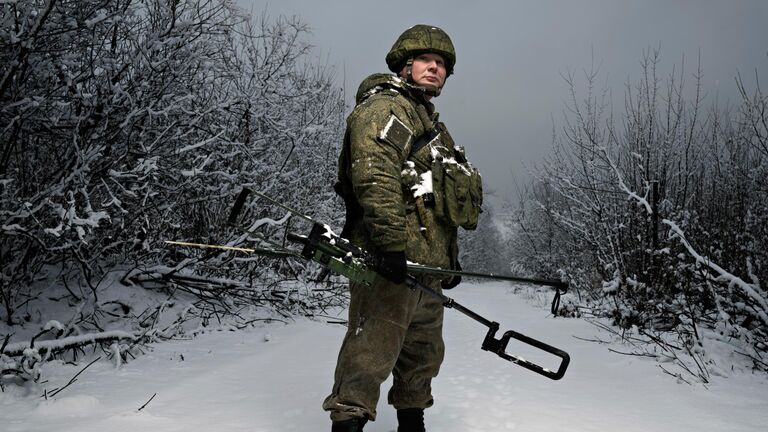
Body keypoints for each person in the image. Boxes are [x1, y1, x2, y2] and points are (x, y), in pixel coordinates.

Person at [324, 24, 482, 432]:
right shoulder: (385, 109)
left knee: (421, 361)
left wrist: (450, 262)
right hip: (388, 265)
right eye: (427, 60)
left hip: (426, 272)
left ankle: (412, 427)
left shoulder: (434, 127)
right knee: (369, 356)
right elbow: (373, 177)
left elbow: (439, 204)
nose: (436, 68)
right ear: (406, 65)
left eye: (443, 64)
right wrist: (392, 247)